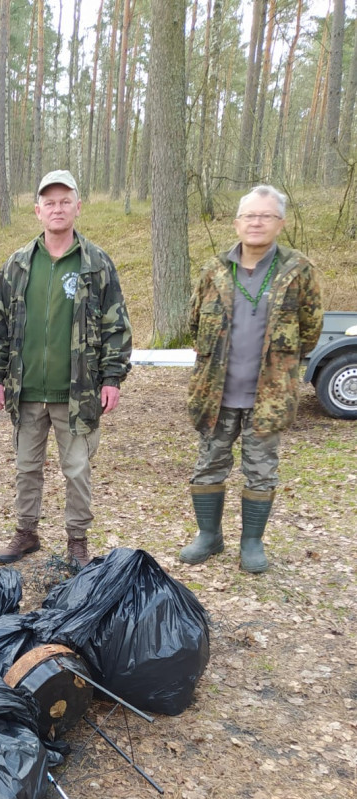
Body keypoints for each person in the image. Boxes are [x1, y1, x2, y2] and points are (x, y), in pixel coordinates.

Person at [0, 169, 132, 569]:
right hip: (27, 388)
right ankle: (26, 531)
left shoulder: (96, 264)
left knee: (77, 469)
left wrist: (112, 377)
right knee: (26, 467)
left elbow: (116, 325)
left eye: (65, 201)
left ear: (78, 207)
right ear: (38, 211)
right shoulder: (17, 265)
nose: (57, 209)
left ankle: (77, 540)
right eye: (49, 202)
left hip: (77, 391)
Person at [180, 184, 323, 573]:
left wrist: (280, 366)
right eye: (249, 216)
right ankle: (209, 536)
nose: (256, 222)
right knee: (208, 465)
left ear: (280, 223)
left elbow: (310, 330)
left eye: (265, 216)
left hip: (268, 397)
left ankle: (252, 542)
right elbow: (194, 323)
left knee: (261, 471)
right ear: (237, 223)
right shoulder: (214, 270)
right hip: (216, 394)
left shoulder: (298, 271)